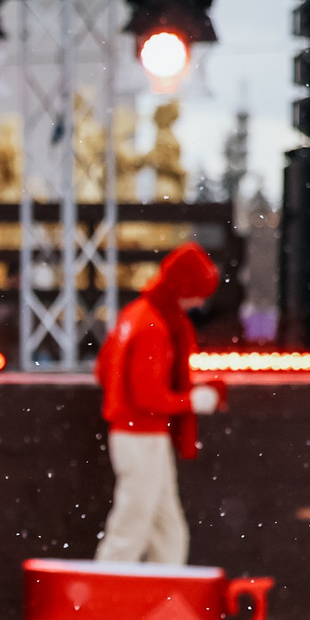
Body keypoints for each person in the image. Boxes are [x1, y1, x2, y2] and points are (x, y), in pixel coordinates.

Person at [93, 242, 224, 564]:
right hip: (143, 437)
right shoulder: (154, 325)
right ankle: (106, 589)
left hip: (135, 434)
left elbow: (104, 371)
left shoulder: (135, 314)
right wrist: (192, 400)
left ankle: (164, 586)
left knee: (167, 531)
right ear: (184, 288)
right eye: (199, 293)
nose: (201, 302)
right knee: (132, 528)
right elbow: (148, 397)